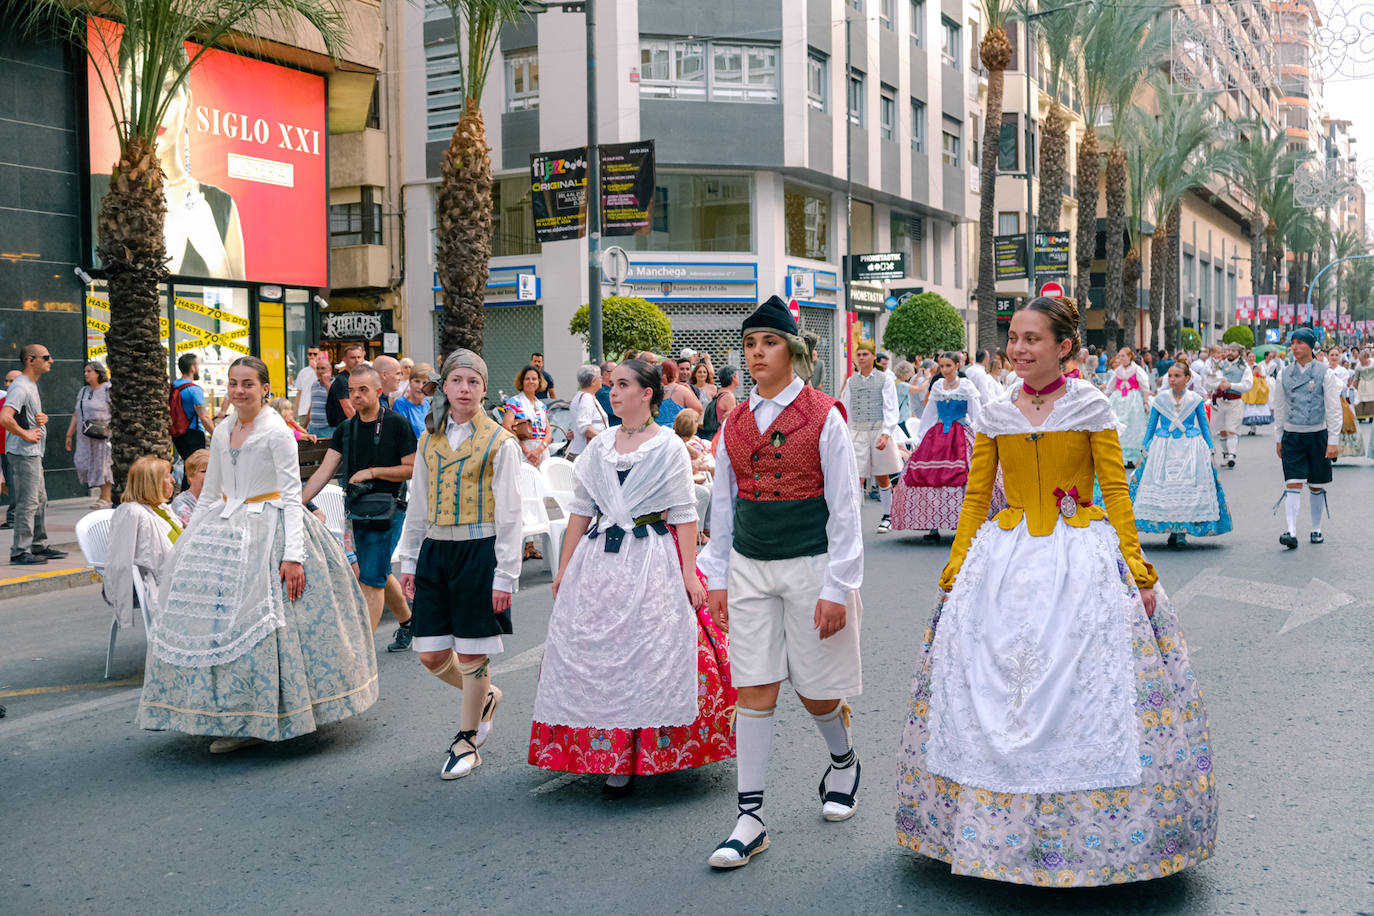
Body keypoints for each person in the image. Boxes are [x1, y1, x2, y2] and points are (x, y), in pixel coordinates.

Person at [896, 297, 1217, 887]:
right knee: (997, 684)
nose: (1017, 349)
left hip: (1081, 559)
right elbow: (976, 498)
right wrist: (957, 569)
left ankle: (1094, 839)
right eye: (1013, 338)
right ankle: (989, 831)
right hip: (1007, 558)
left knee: (1088, 687)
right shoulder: (994, 411)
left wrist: (1139, 571)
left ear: (1064, 346)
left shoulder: (1091, 406)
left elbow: (1115, 494)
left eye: (1031, 339)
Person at [139, 356, 378, 753]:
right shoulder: (221, 432)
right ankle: (226, 713)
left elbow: (290, 496)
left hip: (270, 527)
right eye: (233, 383)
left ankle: (265, 715)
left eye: (248, 383)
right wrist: (187, 541)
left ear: (265, 388)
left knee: (265, 628)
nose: (239, 390)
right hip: (225, 527)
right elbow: (211, 492)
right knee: (217, 625)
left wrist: (293, 555)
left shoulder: (277, 433)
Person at [699, 296, 864, 870]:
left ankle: (842, 762)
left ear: (792, 350)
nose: (757, 354)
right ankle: (750, 818)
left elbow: (845, 508)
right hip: (748, 564)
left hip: (811, 564)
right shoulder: (735, 420)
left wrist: (838, 587)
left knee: (815, 689)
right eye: (750, 345)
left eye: (768, 343)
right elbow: (723, 504)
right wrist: (716, 575)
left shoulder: (825, 415)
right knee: (754, 686)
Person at [529, 359, 735, 797]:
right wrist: (564, 567)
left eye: (624, 385)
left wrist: (689, 573)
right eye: (612, 384)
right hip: (600, 560)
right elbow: (581, 511)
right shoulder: (600, 445)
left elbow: (682, 513)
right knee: (598, 654)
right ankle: (611, 754)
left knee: (649, 650)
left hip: (651, 555)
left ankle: (650, 748)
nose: (614, 392)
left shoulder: (668, 447)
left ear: (647, 393)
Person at [397, 349, 523, 780]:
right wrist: (409, 560)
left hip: (479, 550)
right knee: (432, 655)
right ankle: (484, 695)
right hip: (435, 550)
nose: (464, 389)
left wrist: (505, 574)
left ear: (484, 390)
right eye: (457, 381)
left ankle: (466, 739)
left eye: (473, 382)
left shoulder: (500, 443)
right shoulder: (427, 438)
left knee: (471, 651)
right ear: (445, 386)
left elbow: (510, 515)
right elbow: (418, 504)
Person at [302, 365, 416, 641]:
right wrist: (297, 503)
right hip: (356, 511)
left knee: (370, 579)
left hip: (390, 509)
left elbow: (412, 468)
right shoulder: (345, 429)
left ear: (378, 391)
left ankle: (362, 653)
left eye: (363, 390)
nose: (355, 396)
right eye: (351, 391)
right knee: (377, 571)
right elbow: (324, 472)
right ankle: (410, 622)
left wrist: (374, 472)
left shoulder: (396, 423)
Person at [890, 352, 1006, 542]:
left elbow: (975, 413)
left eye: (948, 366)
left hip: (961, 432)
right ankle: (933, 527)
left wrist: (980, 437)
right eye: (942, 366)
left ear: (957, 366)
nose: (944, 370)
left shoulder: (966, 386)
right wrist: (923, 438)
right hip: (938, 434)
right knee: (930, 477)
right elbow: (930, 413)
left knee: (966, 478)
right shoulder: (937, 386)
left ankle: (964, 523)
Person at [1131, 361, 1233, 547]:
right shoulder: (1160, 399)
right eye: (1170, 376)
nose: (1172, 379)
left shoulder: (1195, 399)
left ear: (1187, 378)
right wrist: (1143, 450)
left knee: (1187, 488)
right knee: (1166, 490)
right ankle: (1170, 528)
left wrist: (1211, 450)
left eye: (1177, 376)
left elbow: (1203, 425)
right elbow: (1151, 427)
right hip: (1164, 448)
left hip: (1190, 448)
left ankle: (1181, 532)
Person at [1272, 329, 1342, 549]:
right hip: (1292, 434)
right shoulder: (1283, 374)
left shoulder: (1326, 373)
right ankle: (1291, 531)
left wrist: (1333, 440)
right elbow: (1280, 407)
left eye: (1300, 343)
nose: (1294, 347)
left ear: (1311, 346)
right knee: (1292, 481)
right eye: (1292, 343)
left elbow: (1333, 409)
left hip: (1317, 434)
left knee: (1316, 485)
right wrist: (1279, 437)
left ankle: (1316, 527)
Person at [1, 345, 64, 566]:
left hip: (32, 453)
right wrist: (26, 434)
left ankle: (38, 545)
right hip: (23, 453)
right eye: (46, 357)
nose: (51, 360)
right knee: (28, 502)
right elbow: (5, 417)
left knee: (40, 500)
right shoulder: (20, 386)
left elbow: (22, 416)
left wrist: (40, 419)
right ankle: (19, 551)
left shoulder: (30, 385)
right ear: (30, 360)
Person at [102, 456, 180, 631]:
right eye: (168, 476)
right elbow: (123, 561)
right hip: (162, 580)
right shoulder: (132, 513)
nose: (173, 481)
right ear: (153, 482)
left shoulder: (162, 508)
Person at [839, 341, 901, 533]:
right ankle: (854, 517)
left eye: (865, 354)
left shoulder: (885, 379)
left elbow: (890, 407)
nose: (861, 358)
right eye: (859, 355)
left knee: (882, 476)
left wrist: (886, 433)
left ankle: (887, 515)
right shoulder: (851, 381)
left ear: (873, 357)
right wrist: (845, 432)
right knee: (856, 476)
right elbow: (846, 407)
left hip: (878, 429)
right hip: (857, 431)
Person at [65, 360, 114, 508]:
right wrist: (69, 434)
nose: (86, 374)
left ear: (98, 373)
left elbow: (117, 411)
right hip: (84, 436)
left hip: (102, 435)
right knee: (82, 463)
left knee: (102, 464)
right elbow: (76, 413)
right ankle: (103, 495)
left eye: (89, 371)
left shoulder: (107, 389)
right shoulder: (83, 391)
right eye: (85, 371)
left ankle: (105, 497)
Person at [1204, 344, 1252, 468]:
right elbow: (1208, 381)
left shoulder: (1244, 367)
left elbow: (1247, 385)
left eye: (1233, 350)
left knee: (1231, 428)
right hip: (1219, 402)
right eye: (1229, 350)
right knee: (1222, 430)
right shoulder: (1219, 364)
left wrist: (1231, 385)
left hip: (1234, 402)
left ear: (1239, 352)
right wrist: (1217, 385)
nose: (1230, 352)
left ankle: (1232, 455)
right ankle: (1226, 455)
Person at [1103, 347, 1151, 467]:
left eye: (1123, 356)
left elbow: (1145, 386)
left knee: (1133, 426)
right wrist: (1104, 400)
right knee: (1118, 425)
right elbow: (1110, 387)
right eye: (1119, 356)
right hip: (1118, 400)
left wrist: (1145, 402)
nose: (1121, 359)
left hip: (1133, 400)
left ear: (1130, 357)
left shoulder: (1136, 369)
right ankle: (1120, 456)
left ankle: (1133, 458)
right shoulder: (1117, 371)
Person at [674, 408, 715, 539]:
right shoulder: (678, 444)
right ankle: (698, 533)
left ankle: (706, 528)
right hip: (677, 484)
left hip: (685, 479)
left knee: (710, 488)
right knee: (704, 492)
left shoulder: (685, 442)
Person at [503, 365, 551, 467]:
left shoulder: (542, 406)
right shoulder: (514, 402)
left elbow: (549, 433)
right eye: (527, 379)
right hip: (523, 450)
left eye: (534, 379)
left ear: (539, 382)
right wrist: (526, 451)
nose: (531, 381)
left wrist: (539, 450)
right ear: (522, 382)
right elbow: (506, 427)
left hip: (542, 451)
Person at [171, 353, 215, 462]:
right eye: (198, 366)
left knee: (189, 466)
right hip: (193, 433)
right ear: (192, 368)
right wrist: (216, 434)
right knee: (196, 467)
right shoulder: (194, 389)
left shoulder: (174, 385)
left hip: (178, 434)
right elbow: (204, 416)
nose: (198, 369)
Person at [1328, 348, 1365, 457]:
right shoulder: (1324, 370)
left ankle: (1340, 450)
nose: (1334, 357)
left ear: (1339, 357)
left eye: (1336, 355)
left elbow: (1342, 386)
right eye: (1332, 355)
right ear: (1328, 357)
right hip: (1326, 402)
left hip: (1340, 401)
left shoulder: (1343, 371)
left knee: (1343, 425)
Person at [568, 365, 609, 460]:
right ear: (593, 381)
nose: (602, 379)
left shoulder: (580, 396)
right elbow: (584, 426)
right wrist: (605, 440)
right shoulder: (587, 398)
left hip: (584, 450)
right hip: (588, 452)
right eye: (600, 377)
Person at [0, 368, 20, 530]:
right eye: (6, 381)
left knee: (14, 484)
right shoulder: (4, 398)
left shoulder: (23, 398)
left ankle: (14, 518)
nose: (7, 384)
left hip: (14, 449)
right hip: (4, 449)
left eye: (11, 381)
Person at [327, 344, 365, 427]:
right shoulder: (342, 380)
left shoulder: (359, 378)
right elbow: (347, 408)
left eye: (359, 357)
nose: (357, 360)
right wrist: (363, 425)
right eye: (353, 358)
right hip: (346, 427)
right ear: (344, 360)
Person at [393, 361, 433, 438]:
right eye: (417, 381)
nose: (420, 387)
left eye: (425, 383)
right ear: (410, 382)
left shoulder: (431, 402)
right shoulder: (400, 404)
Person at [657, 359, 703, 427]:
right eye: (681, 369)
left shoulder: (653, 389)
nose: (684, 372)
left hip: (656, 431)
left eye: (688, 369)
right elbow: (699, 410)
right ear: (676, 372)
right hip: (676, 432)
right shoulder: (681, 389)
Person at [170, 448, 209, 526]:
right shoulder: (181, 503)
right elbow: (193, 530)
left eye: (211, 471)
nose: (209, 475)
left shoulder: (219, 499)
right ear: (190, 475)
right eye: (203, 471)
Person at [700, 366, 740, 442]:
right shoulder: (728, 396)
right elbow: (732, 421)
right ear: (734, 378)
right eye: (738, 375)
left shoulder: (720, 393)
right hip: (724, 438)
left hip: (717, 436)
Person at [306, 357, 335, 439]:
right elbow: (312, 405)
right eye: (317, 368)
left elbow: (334, 400)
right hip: (313, 428)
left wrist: (327, 383)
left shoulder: (335, 384)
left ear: (330, 370)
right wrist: (305, 426)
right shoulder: (314, 384)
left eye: (323, 368)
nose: (319, 371)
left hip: (328, 429)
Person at [1241, 361, 1273, 433]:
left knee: (1256, 414)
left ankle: (1253, 428)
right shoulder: (1250, 378)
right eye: (1255, 369)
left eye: (1258, 369)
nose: (1257, 370)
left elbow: (1265, 388)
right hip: (1250, 399)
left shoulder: (1261, 378)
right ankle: (1251, 427)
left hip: (1259, 399)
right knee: (1250, 413)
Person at [292, 345, 322, 418]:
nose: (312, 356)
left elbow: (323, 384)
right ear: (307, 356)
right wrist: (294, 413)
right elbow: (299, 393)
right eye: (310, 354)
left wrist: (315, 368)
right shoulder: (303, 372)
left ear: (319, 356)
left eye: (315, 354)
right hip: (304, 411)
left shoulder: (323, 370)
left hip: (318, 411)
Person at [1352, 349, 1374, 421]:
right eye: (1360, 359)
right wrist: (1355, 384)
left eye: (1362, 359)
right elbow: (1356, 377)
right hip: (1362, 384)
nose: (1361, 361)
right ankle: (1361, 417)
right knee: (1360, 400)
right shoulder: (1359, 366)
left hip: (1371, 384)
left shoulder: (1372, 363)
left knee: (1371, 400)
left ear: (1366, 358)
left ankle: (1371, 416)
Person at [595, 361, 619, 427]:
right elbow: (619, 410)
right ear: (606, 374)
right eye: (616, 371)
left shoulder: (612, 390)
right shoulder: (602, 393)